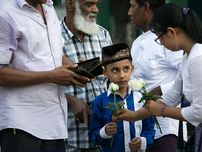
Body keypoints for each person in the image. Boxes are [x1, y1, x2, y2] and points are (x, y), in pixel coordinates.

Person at [117, 3, 202, 152]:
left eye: (159, 38)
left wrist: (163, 110)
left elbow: (201, 112)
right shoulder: (188, 56)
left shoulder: (201, 57)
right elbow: (171, 97)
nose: (161, 44)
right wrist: (133, 116)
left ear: (171, 32)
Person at [0, 0, 90, 152]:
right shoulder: (5, 11)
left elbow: (55, 54)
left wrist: (76, 70)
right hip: (21, 124)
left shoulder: (49, 7)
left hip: (55, 123)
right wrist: (50, 76)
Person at [128, 0, 186, 151]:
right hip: (140, 130)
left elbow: (187, 73)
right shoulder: (137, 42)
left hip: (165, 130)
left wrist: (160, 90)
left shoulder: (167, 38)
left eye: (132, 6)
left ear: (146, 7)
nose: (129, 12)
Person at [61, 0, 112, 151]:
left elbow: (113, 81)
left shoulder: (103, 34)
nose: (96, 9)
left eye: (97, 4)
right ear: (71, 4)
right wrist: (69, 101)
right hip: (70, 140)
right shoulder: (51, 38)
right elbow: (42, 86)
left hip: (105, 138)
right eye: (89, 4)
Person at [89, 43, 155, 152]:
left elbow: (149, 129)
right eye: (115, 70)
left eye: (126, 69)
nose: (122, 75)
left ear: (132, 69)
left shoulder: (141, 98)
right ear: (105, 72)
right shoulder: (99, 101)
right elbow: (93, 135)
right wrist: (104, 132)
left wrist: (142, 142)